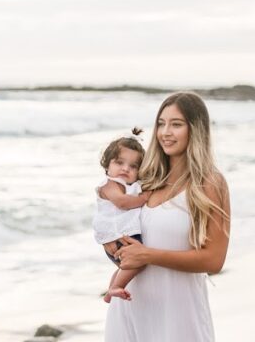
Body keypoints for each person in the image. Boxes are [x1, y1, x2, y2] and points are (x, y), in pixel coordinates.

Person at [103, 91, 232, 342]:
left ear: (195, 129)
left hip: (178, 316)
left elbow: (214, 259)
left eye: (176, 124)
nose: (165, 132)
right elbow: (111, 218)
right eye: (161, 124)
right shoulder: (146, 179)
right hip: (129, 308)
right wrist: (111, 245)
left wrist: (148, 255)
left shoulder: (209, 183)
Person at [92, 128, 152, 303]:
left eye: (133, 166)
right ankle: (116, 287)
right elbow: (123, 202)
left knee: (127, 267)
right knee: (137, 263)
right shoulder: (110, 185)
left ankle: (112, 290)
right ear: (107, 164)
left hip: (125, 235)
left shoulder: (132, 185)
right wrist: (145, 198)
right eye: (119, 162)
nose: (126, 169)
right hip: (117, 236)